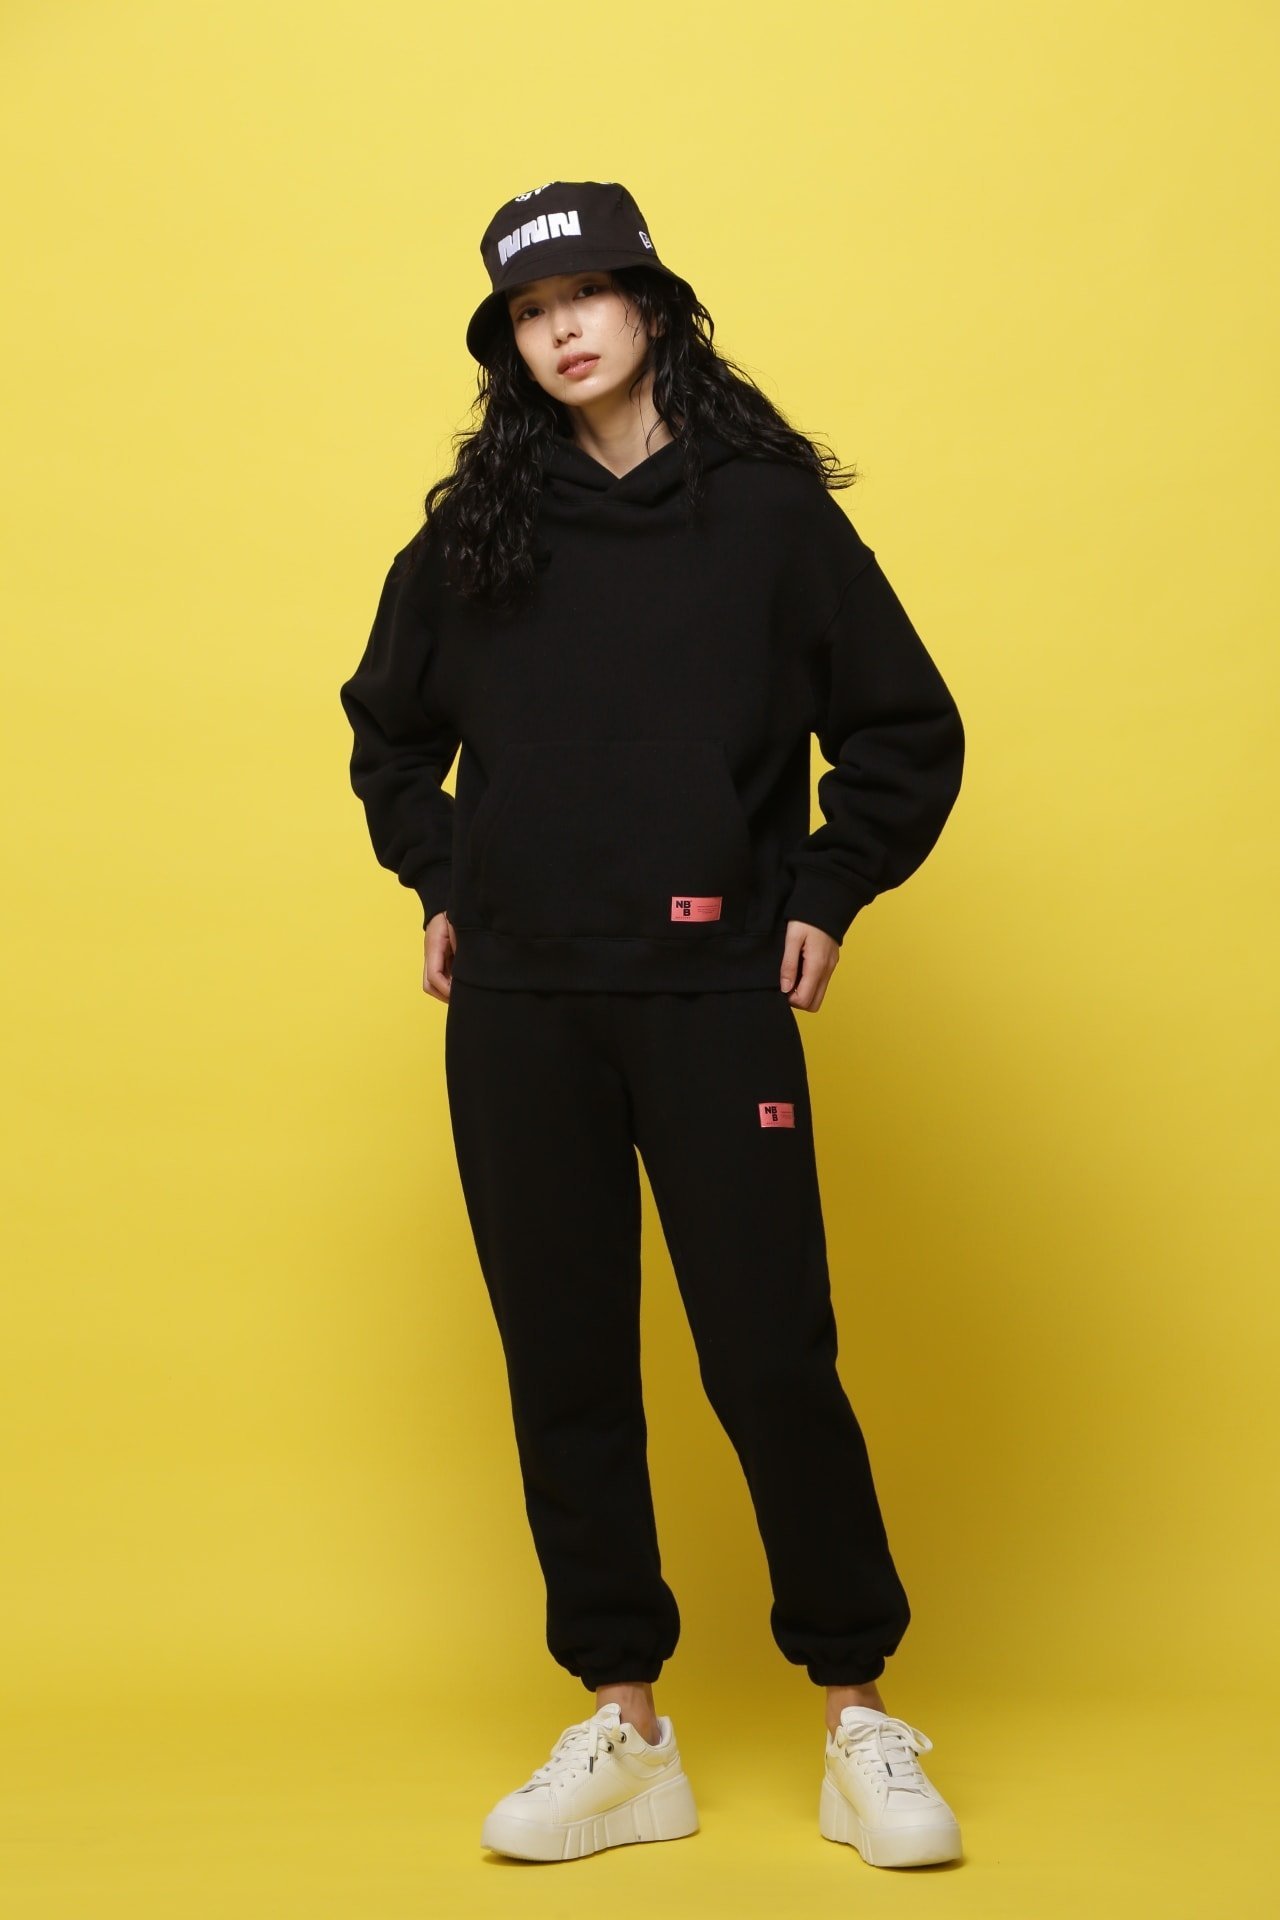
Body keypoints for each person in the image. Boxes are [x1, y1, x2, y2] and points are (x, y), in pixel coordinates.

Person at [338, 180, 966, 1869]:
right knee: (565, 1364)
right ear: (510, 344)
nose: (563, 329)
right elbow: (387, 733)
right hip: (520, 1003)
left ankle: (856, 1713)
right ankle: (626, 1726)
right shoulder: (478, 531)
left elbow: (905, 728)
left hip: (712, 996)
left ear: (653, 308)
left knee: (770, 1355)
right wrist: (442, 876)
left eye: (590, 296)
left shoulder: (766, 517)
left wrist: (826, 888)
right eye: (531, 312)